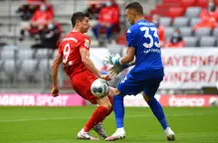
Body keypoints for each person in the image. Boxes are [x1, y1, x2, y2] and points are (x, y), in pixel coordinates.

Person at [103, 2, 175, 141]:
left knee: (117, 93)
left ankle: (119, 130)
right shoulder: (152, 27)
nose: (127, 18)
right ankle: (168, 130)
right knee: (148, 97)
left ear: (132, 13)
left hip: (143, 71)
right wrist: (125, 66)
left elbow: (129, 56)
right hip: (158, 70)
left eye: (127, 15)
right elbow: (143, 55)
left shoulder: (133, 30)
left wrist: (117, 61)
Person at [51, 12, 113, 140]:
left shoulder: (65, 40)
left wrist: (55, 86)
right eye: (86, 21)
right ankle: (84, 131)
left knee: (115, 97)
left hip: (76, 79)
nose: (89, 25)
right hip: (84, 76)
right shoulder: (83, 38)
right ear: (78, 22)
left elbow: (54, 64)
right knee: (106, 105)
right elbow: (85, 59)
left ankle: (97, 123)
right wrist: (100, 74)